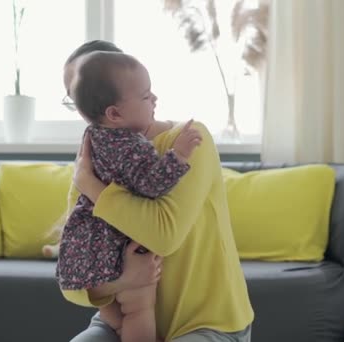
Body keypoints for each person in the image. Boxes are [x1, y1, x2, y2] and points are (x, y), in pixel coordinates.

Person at [63, 40, 254, 342]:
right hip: (122, 323)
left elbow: (163, 235)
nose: (86, 114)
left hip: (207, 324)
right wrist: (124, 282)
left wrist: (92, 187)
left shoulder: (190, 140)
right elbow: (73, 280)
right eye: (77, 101)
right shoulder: (92, 158)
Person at [57, 51, 202, 342]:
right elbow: (151, 184)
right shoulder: (130, 146)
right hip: (119, 246)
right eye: (146, 96)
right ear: (115, 113)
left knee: (117, 320)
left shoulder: (91, 139)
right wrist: (180, 156)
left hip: (87, 247)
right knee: (138, 310)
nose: (155, 100)